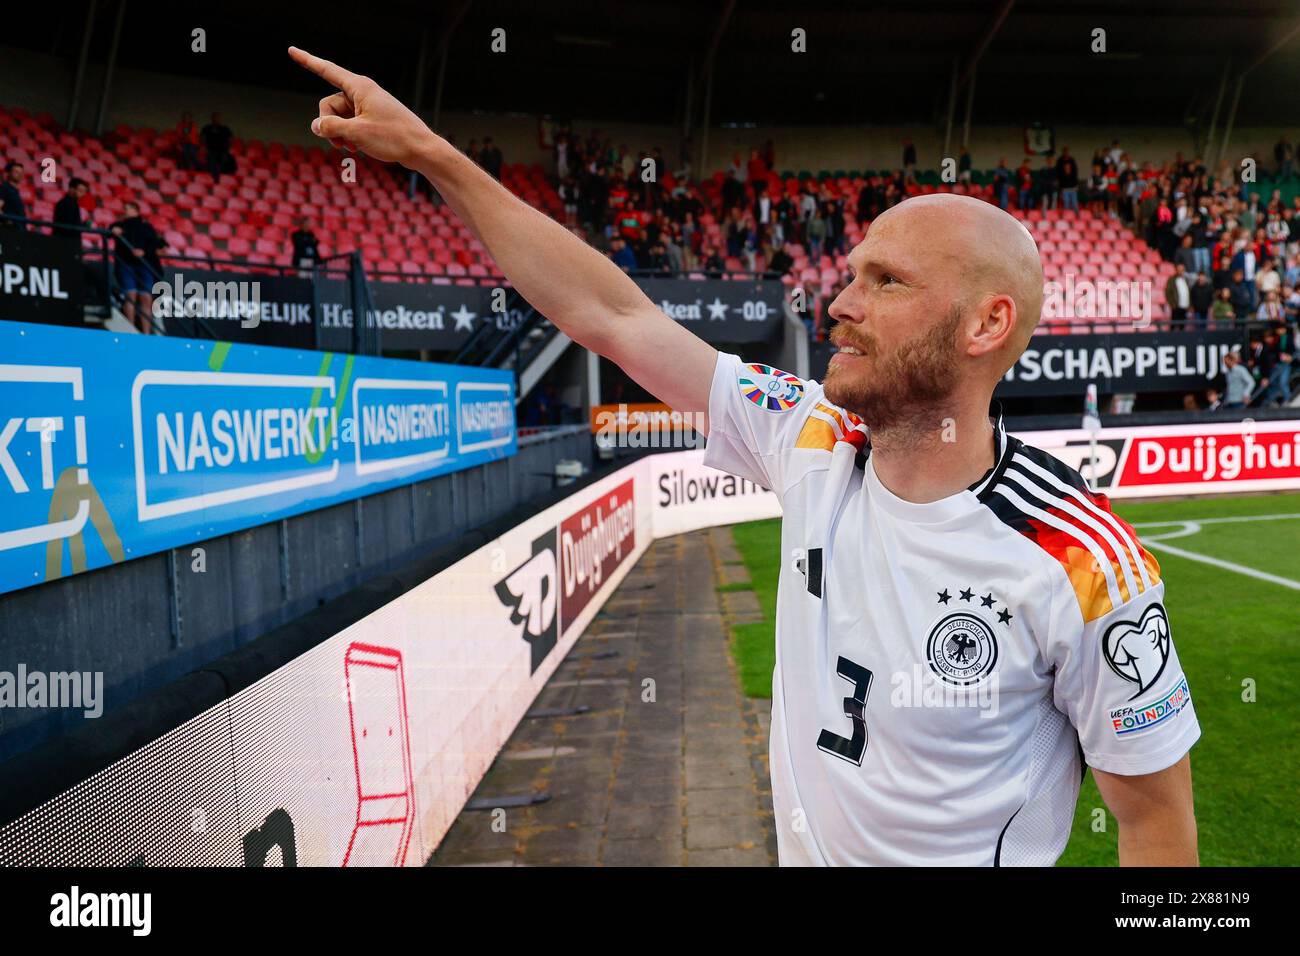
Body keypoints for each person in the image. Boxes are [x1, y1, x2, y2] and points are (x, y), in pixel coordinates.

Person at [290, 46, 1201, 866]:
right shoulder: (806, 434)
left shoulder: (1085, 568)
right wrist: (434, 157)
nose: (838, 302)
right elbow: (612, 316)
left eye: (885, 282)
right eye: (849, 274)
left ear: (986, 324)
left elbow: (1155, 826)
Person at [111, 200, 164, 334]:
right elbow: (110, 229)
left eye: (127, 209)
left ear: (135, 210)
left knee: (146, 298)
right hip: (126, 264)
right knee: (130, 295)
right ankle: (131, 330)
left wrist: (144, 251)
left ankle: (146, 333)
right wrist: (112, 229)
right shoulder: (120, 225)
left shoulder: (146, 227)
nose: (125, 211)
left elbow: (156, 244)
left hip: (144, 265)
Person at [53, 177, 90, 249]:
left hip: (68, 243)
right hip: (65, 244)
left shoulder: (72, 203)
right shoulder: (67, 203)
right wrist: (83, 225)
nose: (82, 194)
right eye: (80, 190)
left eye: (84, 191)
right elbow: (69, 225)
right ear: (71, 189)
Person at [200, 112, 234, 182]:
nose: (216, 119)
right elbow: (202, 138)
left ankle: (219, 177)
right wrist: (204, 147)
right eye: (215, 117)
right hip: (210, 150)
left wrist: (227, 148)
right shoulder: (207, 128)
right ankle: (215, 179)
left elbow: (230, 139)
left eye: (218, 117)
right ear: (212, 118)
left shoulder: (225, 129)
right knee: (212, 159)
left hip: (222, 151)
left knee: (226, 159)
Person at [0, 161, 28, 228]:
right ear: (9, 173)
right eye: (16, 172)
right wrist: (8, 221)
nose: (19, 174)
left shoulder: (15, 191)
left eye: (21, 172)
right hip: (11, 232)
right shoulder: (4, 188)